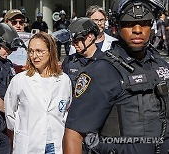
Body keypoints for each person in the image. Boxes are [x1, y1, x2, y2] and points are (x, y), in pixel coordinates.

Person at [63, 0, 169, 154]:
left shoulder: (161, 65)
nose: (137, 30)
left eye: (144, 23)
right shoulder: (102, 71)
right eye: (129, 24)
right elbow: (74, 135)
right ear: (116, 27)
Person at [4, 32, 72, 154]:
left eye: (40, 51)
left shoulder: (64, 80)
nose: (34, 56)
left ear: (51, 52)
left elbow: (66, 109)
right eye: (31, 51)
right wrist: (22, 131)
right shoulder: (20, 80)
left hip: (55, 144)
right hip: (29, 144)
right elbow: (10, 112)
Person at [0, 23, 23, 154]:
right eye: (6, 48)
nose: (8, 52)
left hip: (3, 124)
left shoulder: (7, 64)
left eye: (11, 50)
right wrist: (9, 110)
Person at [62, 17, 103, 90]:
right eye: (72, 42)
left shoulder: (105, 62)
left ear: (90, 37)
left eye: (76, 41)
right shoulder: (69, 61)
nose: (73, 45)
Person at [5, 9, 28, 73]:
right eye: (14, 22)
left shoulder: (29, 39)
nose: (18, 25)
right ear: (6, 22)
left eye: (21, 22)